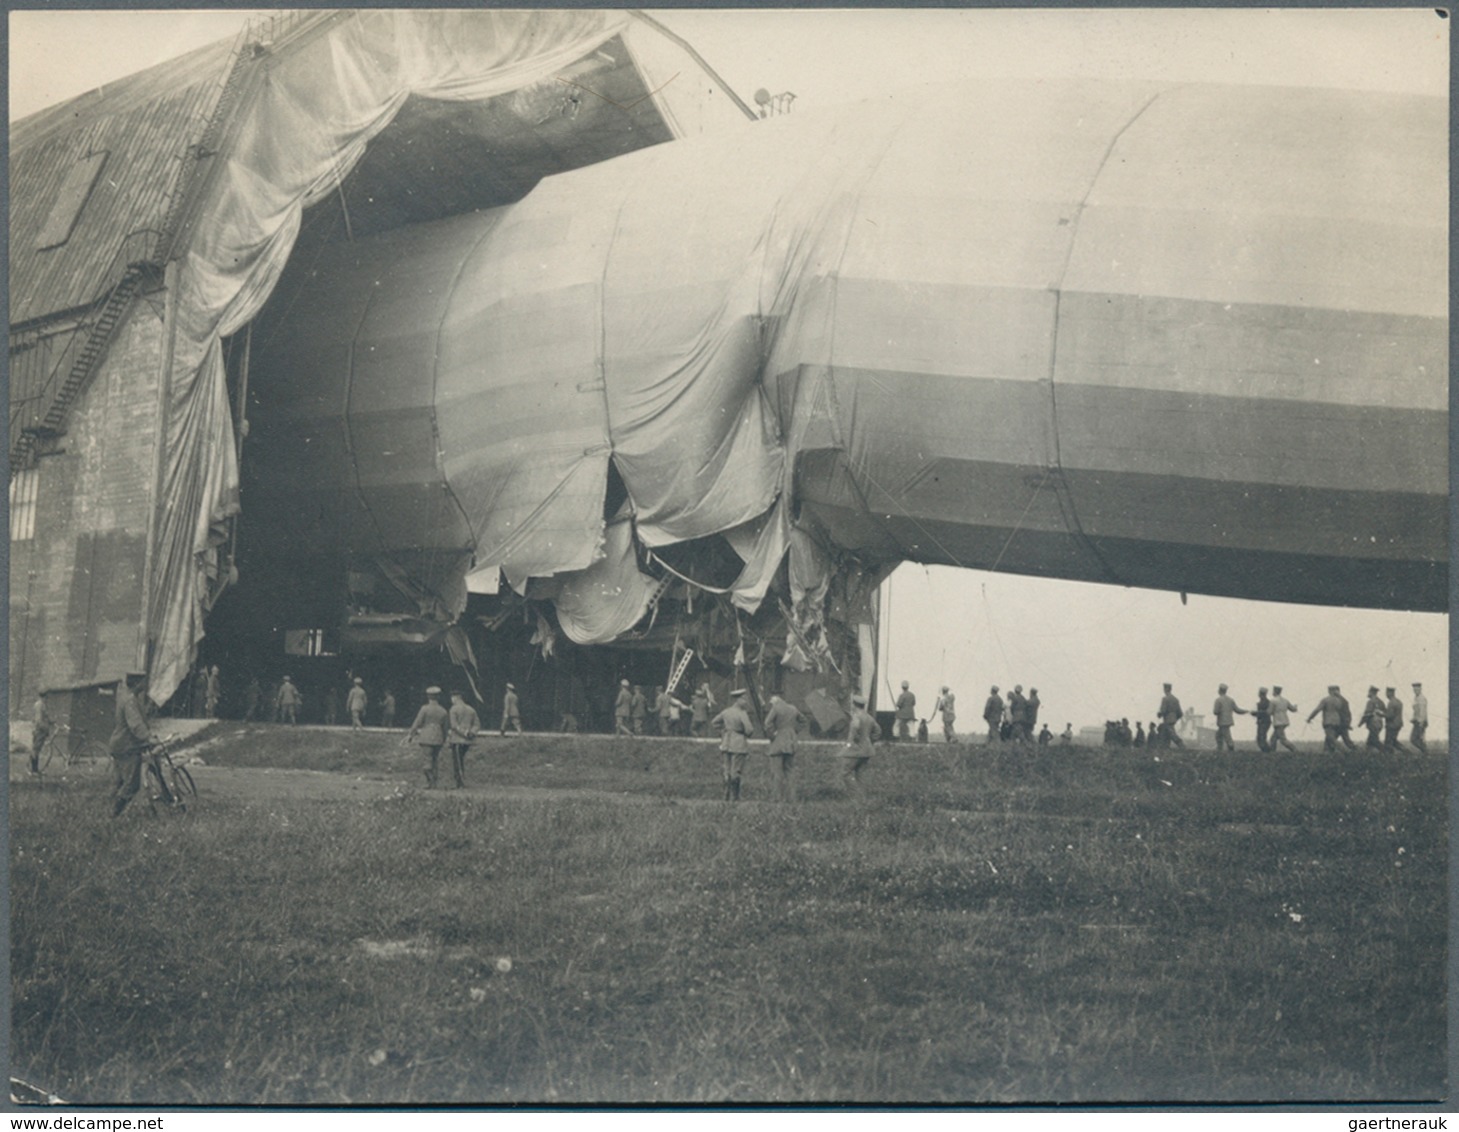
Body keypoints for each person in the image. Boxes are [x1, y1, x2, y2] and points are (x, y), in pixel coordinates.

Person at [110, 672, 158, 817]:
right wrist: (148, 738)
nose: (144, 685)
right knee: (132, 784)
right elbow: (135, 725)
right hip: (126, 746)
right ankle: (114, 814)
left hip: (119, 744)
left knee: (118, 782)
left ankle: (107, 812)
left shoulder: (127, 697)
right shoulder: (130, 700)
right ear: (137, 684)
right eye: (142, 682)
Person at [711, 688, 755, 801]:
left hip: (726, 742)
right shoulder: (742, 713)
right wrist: (745, 734)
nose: (745, 702)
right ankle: (735, 797)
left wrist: (723, 731)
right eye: (744, 699)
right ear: (738, 700)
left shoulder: (726, 712)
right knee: (736, 770)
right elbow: (749, 730)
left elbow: (714, 722)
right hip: (738, 743)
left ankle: (726, 794)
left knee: (726, 769)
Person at [762, 692, 802, 802]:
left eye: (771, 701)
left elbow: (767, 723)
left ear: (776, 699)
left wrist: (772, 736)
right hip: (791, 742)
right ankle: (792, 798)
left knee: (776, 772)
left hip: (778, 742)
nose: (771, 703)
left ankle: (777, 798)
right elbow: (803, 720)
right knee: (790, 771)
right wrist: (794, 731)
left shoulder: (776, 708)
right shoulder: (793, 708)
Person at [406, 687, 450, 788]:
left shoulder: (424, 709)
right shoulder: (443, 710)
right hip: (438, 738)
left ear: (428, 697)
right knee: (435, 760)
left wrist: (411, 734)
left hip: (426, 737)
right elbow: (446, 727)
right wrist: (444, 739)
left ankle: (430, 782)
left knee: (427, 760)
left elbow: (417, 722)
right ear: (438, 697)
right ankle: (434, 782)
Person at [839, 693, 882, 790]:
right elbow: (878, 731)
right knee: (860, 773)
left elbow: (853, 731)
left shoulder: (856, 717)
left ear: (854, 705)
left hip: (856, 750)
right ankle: (863, 796)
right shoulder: (869, 717)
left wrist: (849, 744)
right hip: (867, 750)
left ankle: (856, 794)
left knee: (845, 773)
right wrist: (870, 741)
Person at [447, 691, 481, 789]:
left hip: (457, 740)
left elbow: (454, 726)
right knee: (460, 759)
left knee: (457, 762)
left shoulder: (453, 709)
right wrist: (472, 733)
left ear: (455, 698)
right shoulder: (471, 709)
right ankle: (460, 782)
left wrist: (464, 733)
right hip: (468, 741)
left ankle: (460, 783)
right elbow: (477, 724)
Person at [1307, 685, 1356, 753]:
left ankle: (1344, 752)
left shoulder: (1325, 700)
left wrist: (1310, 718)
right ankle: (1326, 754)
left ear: (1330, 691)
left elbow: (1317, 710)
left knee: (1331, 739)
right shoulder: (1340, 700)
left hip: (1328, 722)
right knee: (1328, 741)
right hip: (1338, 722)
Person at [1211, 684, 1246, 752]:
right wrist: (1245, 711)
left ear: (1219, 690)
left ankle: (1230, 748)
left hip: (1222, 721)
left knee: (1226, 736)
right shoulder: (1230, 700)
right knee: (1219, 735)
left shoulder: (1218, 700)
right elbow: (1237, 710)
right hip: (1229, 721)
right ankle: (1220, 749)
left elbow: (1215, 712)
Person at [1269, 686, 1298, 752]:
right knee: (1273, 739)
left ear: (1275, 691)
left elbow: (1269, 712)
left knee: (1283, 740)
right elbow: (1293, 709)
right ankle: (1272, 753)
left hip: (1278, 722)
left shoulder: (1273, 700)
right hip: (1285, 721)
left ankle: (1295, 750)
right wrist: (1295, 706)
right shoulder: (1285, 700)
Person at [30, 692, 53, 775]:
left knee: (37, 749)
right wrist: (45, 729)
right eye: (46, 697)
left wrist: (51, 721)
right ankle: (33, 770)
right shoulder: (39, 705)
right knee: (36, 749)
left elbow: (45, 716)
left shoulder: (42, 705)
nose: (47, 699)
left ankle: (35, 770)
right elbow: (39, 720)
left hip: (40, 729)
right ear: (44, 697)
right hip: (40, 730)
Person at [1157, 683, 1184, 749]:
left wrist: (1159, 714)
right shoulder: (1176, 699)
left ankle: (1181, 745)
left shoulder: (1165, 699)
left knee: (1171, 734)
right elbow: (1180, 713)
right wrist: (1175, 718)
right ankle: (1165, 748)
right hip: (1173, 719)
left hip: (1167, 719)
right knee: (1166, 734)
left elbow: (1163, 710)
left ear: (1165, 689)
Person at [1359, 686, 1385, 751]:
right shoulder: (1381, 701)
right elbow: (1384, 712)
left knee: (1375, 741)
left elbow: (1367, 714)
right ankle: (1368, 755)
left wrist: (1360, 723)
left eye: (1369, 692)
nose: (1368, 694)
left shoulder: (1370, 702)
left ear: (1372, 692)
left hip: (1373, 724)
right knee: (1370, 742)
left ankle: (1387, 752)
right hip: (1379, 723)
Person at [1382, 687, 1407, 753]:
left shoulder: (1391, 703)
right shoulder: (1399, 702)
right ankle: (1407, 752)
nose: (1386, 695)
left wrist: (1381, 714)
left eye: (1387, 693)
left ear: (1390, 693)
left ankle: (1390, 756)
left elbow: (1390, 716)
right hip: (1398, 724)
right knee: (1393, 741)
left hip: (1392, 725)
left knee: (1388, 742)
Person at [1409, 682, 1429, 754]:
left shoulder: (1421, 698)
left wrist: (1421, 722)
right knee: (1417, 739)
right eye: (1414, 689)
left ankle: (1425, 751)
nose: (1415, 691)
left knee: (1414, 739)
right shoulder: (1416, 698)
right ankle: (1425, 752)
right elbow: (1416, 711)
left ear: (1420, 689)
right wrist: (1413, 719)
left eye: (1417, 689)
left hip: (1421, 722)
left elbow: (1422, 711)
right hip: (1417, 721)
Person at [1253, 688, 1273, 753]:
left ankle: (1267, 751)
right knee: (1261, 737)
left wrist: (1256, 713)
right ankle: (1266, 751)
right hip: (1262, 722)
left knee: (1261, 738)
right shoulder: (1265, 702)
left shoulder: (1265, 702)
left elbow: (1265, 712)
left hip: (1264, 722)